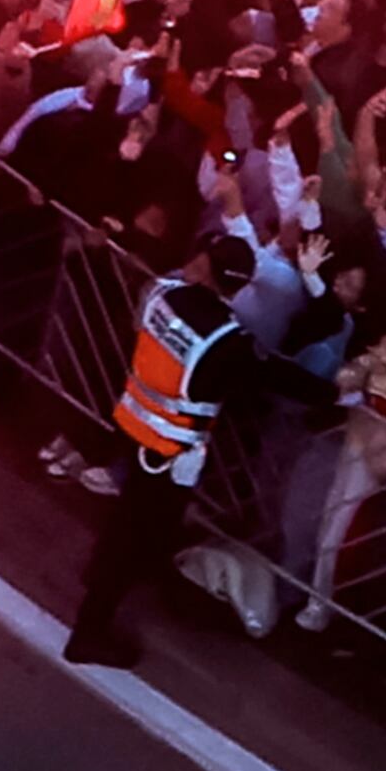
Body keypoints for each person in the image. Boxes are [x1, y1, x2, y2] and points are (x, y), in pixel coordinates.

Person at [61, 230, 251, 669]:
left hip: (132, 426)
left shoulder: (163, 294)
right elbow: (248, 386)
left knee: (133, 527)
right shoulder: (226, 338)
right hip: (168, 456)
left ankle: (124, 575)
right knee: (130, 535)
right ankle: (89, 632)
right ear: (238, 286)